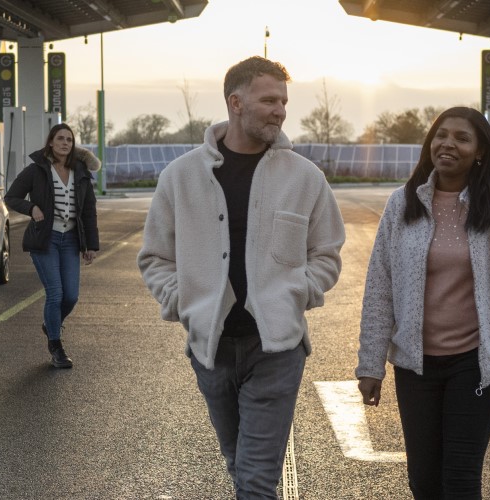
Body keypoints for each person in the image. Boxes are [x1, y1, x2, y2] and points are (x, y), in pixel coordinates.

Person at [137, 56, 345, 498]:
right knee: (238, 463)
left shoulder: (306, 178)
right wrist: (183, 302)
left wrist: (296, 293)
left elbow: (326, 254)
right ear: (235, 102)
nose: (280, 110)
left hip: (276, 348)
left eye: (284, 101)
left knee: (254, 478)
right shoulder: (181, 176)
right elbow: (155, 257)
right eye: (269, 99)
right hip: (210, 348)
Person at [356, 107, 490, 499]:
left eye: (462, 138)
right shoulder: (401, 205)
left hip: (473, 365)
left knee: (459, 480)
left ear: (479, 152)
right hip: (415, 365)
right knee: (424, 482)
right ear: (430, 143)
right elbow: (379, 289)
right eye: (441, 135)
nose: (448, 144)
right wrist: (371, 364)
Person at [5, 123, 100, 369]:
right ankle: (56, 346)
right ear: (50, 142)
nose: (65, 143)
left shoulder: (81, 171)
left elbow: (89, 211)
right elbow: (12, 197)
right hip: (45, 240)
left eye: (69, 139)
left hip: (70, 240)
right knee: (55, 293)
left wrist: (91, 245)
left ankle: (51, 324)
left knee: (71, 296)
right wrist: (31, 208)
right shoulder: (37, 170)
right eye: (60, 138)